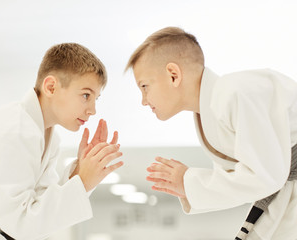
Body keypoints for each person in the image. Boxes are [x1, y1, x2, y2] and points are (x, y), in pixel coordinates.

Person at [125, 26, 297, 240]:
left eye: (144, 86)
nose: (143, 100)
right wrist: (186, 187)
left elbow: (265, 177)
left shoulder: (234, 92)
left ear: (173, 75)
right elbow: (243, 183)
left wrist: (187, 181)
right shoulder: (211, 110)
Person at [0, 43, 123, 240]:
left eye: (96, 99)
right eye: (86, 95)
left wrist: (80, 173)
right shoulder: (16, 128)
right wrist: (83, 182)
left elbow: (41, 204)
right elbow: (20, 223)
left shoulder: (47, 137)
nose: (92, 109)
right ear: (51, 87)